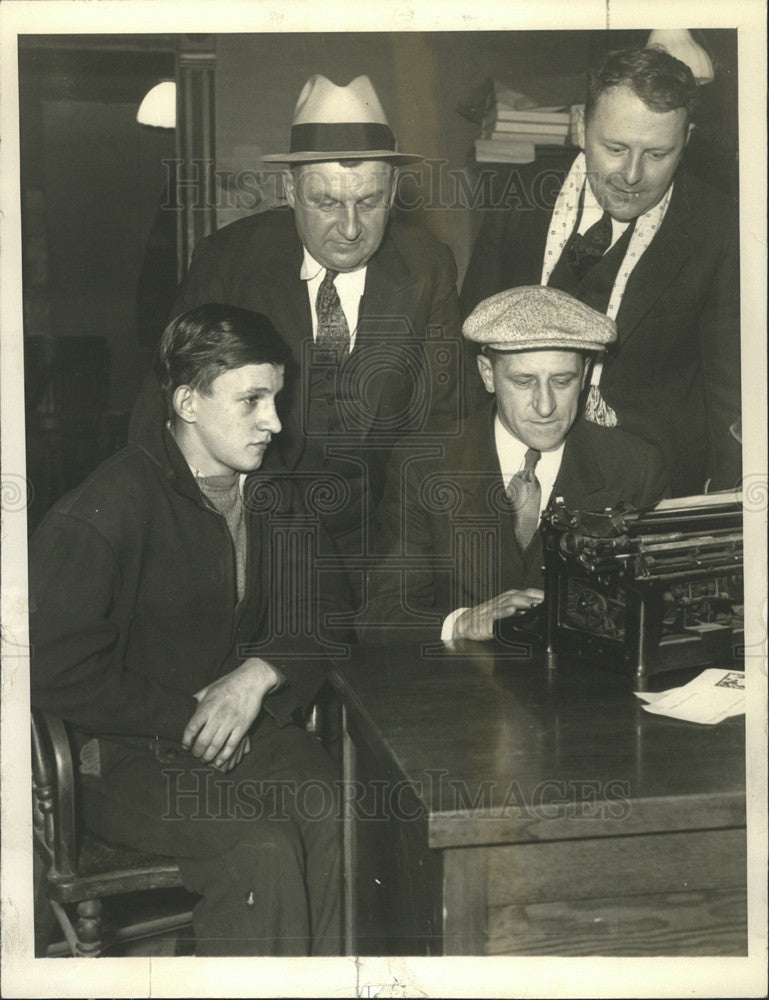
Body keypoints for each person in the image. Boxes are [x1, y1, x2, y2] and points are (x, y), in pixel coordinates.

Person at [29, 305, 345, 956]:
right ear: (187, 402)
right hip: (127, 757)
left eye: (276, 399)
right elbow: (49, 669)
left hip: (250, 734)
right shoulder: (104, 510)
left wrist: (259, 674)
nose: (275, 423)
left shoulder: (272, 490)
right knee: (258, 851)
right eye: (251, 401)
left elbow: (329, 611)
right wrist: (186, 717)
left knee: (336, 812)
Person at [131, 74, 463, 608]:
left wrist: (401, 578)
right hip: (247, 545)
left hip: (374, 553)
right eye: (326, 202)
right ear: (290, 191)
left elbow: (438, 429)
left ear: (393, 192)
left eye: (370, 201)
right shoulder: (228, 261)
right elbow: (165, 410)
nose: (351, 229)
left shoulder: (428, 270)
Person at [460, 47, 741, 497]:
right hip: (518, 476)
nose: (631, 175)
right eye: (614, 148)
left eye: (657, 154)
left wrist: (729, 504)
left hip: (652, 491)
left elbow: (733, 393)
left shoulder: (720, 227)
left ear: (686, 140)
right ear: (579, 127)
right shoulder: (518, 198)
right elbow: (468, 351)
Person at [359, 286, 670, 644]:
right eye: (524, 382)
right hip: (459, 691)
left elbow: (660, 610)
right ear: (487, 374)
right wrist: (459, 625)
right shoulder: (423, 466)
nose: (545, 406)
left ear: (585, 375)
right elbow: (380, 614)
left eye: (562, 381)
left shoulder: (635, 467)